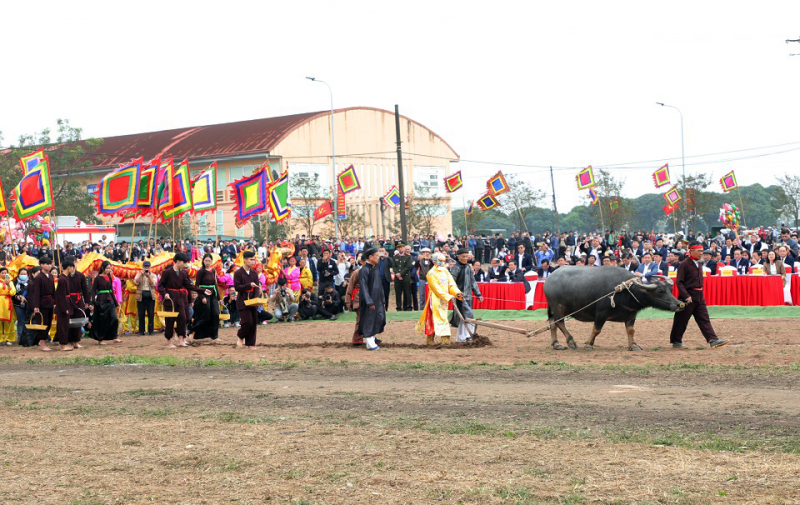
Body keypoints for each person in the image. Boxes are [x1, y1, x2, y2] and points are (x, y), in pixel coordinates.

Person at [669, 241, 729, 349]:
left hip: (699, 296)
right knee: (681, 320)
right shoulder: (684, 264)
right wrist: (686, 295)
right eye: (699, 251)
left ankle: (713, 340)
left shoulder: (699, 264)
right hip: (687, 297)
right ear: (691, 251)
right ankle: (676, 341)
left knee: (704, 318)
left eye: (702, 251)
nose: (701, 253)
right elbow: (679, 282)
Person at [158, 253, 207, 348]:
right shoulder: (167, 272)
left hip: (180, 298)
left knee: (183, 318)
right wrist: (164, 294)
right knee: (170, 320)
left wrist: (202, 290)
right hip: (170, 299)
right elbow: (160, 286)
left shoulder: (184, 272)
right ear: (178, 261)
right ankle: (169, 342)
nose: (184, 265)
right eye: (183, 262)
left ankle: (181, 340)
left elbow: (189, 285)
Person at [417, 252, 462, 346]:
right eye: (440, 261)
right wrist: (448, 296)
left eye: (443, 261)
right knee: (440, 318)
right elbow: (436, 289)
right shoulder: (431, 273)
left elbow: (451, 284)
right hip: (435, 300)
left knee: (440, 318)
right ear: (434, 262)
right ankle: (444, 340)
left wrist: (457, 292)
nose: (442, 263)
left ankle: (433, 340)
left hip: (444, 300)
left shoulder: (445, 271)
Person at [449, 248, 483, 343]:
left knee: (466, 316)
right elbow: (451, 282)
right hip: (459, 297)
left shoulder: (468, 267)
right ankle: (465, 336)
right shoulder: (456, 268)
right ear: (458, 257)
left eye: (466, 256)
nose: (465, 258)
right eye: (463, 256)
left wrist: (478, 293)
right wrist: (455, 293)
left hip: (468, 297)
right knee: (465, 316)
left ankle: (464, 337)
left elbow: (473, 281)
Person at [358, 248, 386, 351]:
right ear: (370, 257)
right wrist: (369, 301)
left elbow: (380, 286)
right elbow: (364, 288)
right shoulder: (364, 270)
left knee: (379, 318)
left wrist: (383, 300)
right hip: (369, 301)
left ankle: (372, 339)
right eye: (376, 256)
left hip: (378, 299)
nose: (378, 258)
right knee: (369, 320)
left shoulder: (375, 268)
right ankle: (369, 341)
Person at [190, 253, 221, 342]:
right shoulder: (201, 271)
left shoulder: (213, 271)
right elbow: (196, 286)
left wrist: (218, 298)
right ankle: (192, 331)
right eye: (206, 260)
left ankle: (215, 336)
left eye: (209, 260)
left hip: (213, 294)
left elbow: (215, 284)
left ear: (211, 261)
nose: (208, 262)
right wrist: (202, 296)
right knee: (205, 316)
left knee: (215, 314)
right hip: (204, 294)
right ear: (203, 261)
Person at [233, 250, 261, 349]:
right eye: (251, 260)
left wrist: (257, 297)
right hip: (243, 301)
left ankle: (251, 344)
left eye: (254, 260)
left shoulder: (254, 273)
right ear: (245, 260)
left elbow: (257, 287)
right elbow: (237, 287)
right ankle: (240, 336)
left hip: (253, 302)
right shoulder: (238, 273)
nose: (253, 262)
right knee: (247, 321)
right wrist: (248, 285)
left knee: (253, 322)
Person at [91, 261, 122, 345]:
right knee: (103, 320)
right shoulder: (98, 278)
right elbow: (94, 290)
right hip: (101, 300)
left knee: (114, 318)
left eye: (109, 268)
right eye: (107, 268)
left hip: (110, 300)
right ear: (103, 268)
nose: (109, 270)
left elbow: (111, 290)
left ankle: (114, 336)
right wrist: (93, 301)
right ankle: (100, 339)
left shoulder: (109, 277)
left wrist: (116, 302)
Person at [54, 260, 82, 351]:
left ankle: (64, 343)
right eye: (73, 267)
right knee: (62, 326)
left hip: (67, 303)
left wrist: (72, 305)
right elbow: (61, 295)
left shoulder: (66, 278)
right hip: (63, 306)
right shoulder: (62, 279)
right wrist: (65, 308)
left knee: (65, 325)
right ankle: (63, 345)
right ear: (69, 267)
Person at [30, 256, 56, 352]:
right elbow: (36, 293)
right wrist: (36, 306)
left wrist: (55, 301)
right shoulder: (39, 277)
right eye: (46, 264)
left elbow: (53, 290)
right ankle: (42, 343)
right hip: (41, 303)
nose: (49, 266)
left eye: (50, 264)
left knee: (48, 322)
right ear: (41, 265)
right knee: (42, 323)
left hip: (49, 302)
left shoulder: (50, 276)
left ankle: (43, 342)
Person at [346, 255, 366, 346]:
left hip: (368, 298)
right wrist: (348, 301)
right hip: (358, 298)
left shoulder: (372, 272)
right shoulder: (357, 272)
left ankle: (370, 336)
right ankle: (357, 339)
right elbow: (350, 287)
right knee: (360, 319)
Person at [134, 261, 157, 335]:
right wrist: (141, 274)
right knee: (141, 314)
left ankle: (151, 331)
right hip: (141, 295)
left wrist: (148, 276)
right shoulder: (139, 274)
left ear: (150, 267)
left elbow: (153, 284)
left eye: (148, 266)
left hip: (150, 296)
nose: (146, 268)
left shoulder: (153, 275)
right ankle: (141, 331)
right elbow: (136, 282)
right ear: (143, 267)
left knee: (151, 314)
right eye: (145, 266)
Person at [393, 244, 413, 311]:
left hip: (405, 277)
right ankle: (398, 307)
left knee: (407, 293)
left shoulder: (408, 257)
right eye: (398, 247)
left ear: (404, 248)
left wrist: (401, 274)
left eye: (401, 247)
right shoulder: (395, 257)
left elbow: (408, 267)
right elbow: (394, 266)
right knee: (398, 293)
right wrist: (397, 274)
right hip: (397, 278)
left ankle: (409, 307)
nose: (400, 249)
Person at [0, 267, 17, 346]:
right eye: (2, 273)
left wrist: (8, 285)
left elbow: (13, 292)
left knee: (8, 321)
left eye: (5, 273)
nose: (4, 274)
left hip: (7, 302)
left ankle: (8, 339)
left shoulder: (10, 282)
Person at [12, 267, 29, 344]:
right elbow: (12, 293)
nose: (23, 275)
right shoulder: (14, 283)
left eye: (25, 274)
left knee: (28, 321)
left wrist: (25, 297)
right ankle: (20, 337)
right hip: (18, 304)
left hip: (28, 304)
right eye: (22, 274)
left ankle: (28, 338)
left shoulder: (30, 282)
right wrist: (17, 297)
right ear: (18, 274)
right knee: (21, 321)